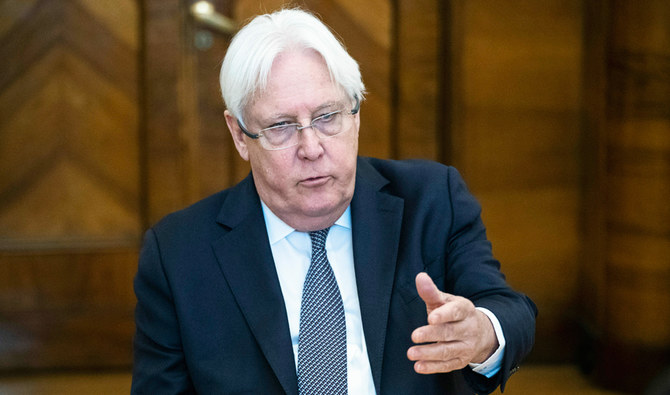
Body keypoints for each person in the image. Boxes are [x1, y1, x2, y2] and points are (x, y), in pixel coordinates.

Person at [132, 8, 537, 395]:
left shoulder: (431, 199)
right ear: (239, 135)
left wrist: (483, 332)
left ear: (356, 114)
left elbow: (509, 310)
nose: (312, 148)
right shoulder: (179, 254)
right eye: (282, 127)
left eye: (328, 117)